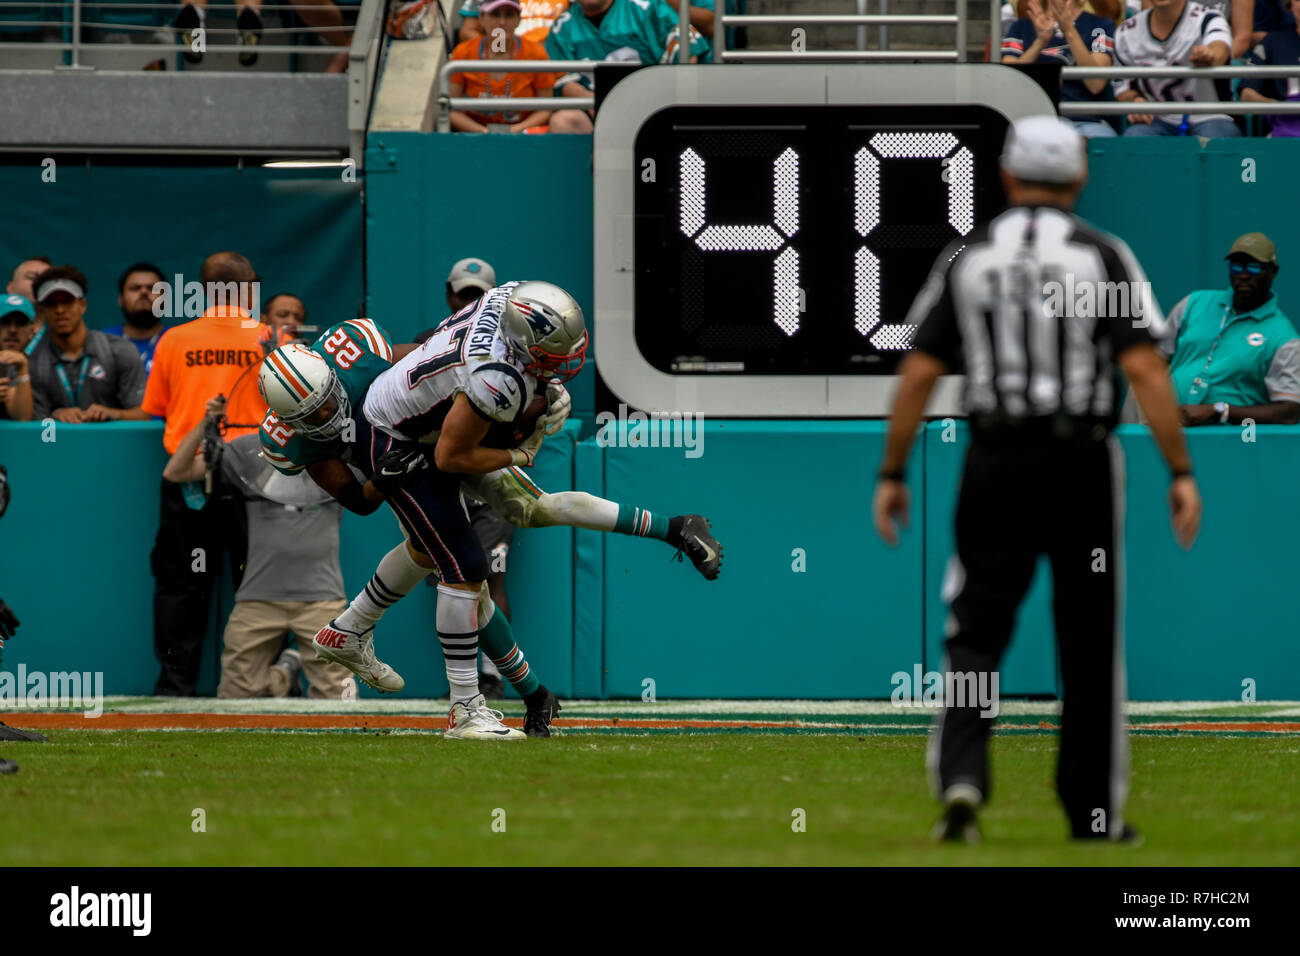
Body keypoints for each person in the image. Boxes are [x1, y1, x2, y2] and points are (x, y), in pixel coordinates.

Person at [872, 116, 1201, 844]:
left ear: (1009, 175)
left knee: (976, 629)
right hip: (1081, 460)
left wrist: (892, 471)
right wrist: (1180, 470)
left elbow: (920, 371)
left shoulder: (972, 257)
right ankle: (1092, 813)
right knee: (1089, 640)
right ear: (1078, 178)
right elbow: (1145, 367)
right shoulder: (1101, 255)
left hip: (995, 459)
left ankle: (962, 778)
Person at [163, 396, 354, 699]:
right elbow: (176, 472)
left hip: (322, 598)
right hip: (258, 597)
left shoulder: (339, 451)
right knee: (234, 697)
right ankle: (283, 675)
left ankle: (284, 672)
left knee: (340, 702)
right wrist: (206, 423)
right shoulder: (249, 450)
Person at [140, 251, 268, 696]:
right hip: (255, 481)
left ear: (203, 287)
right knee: (259, 582)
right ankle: (258, 687)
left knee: (181, 586)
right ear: (248, 286)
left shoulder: (174, 339)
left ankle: (176, 687)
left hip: (190, 479)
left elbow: (155, 409)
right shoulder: (271, 336)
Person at [1162, 233, 1300, 424]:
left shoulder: (1284, 338)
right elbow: (1154, 361)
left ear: (1273, 271)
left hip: (1230, 442)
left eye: (1253, 268)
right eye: (1236, 267)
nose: (1243, 275)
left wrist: (1219, 410)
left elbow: (1289, 412)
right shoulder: (1193, 304)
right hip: (1171, 432)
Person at [545, 0, 711, 133]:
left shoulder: (645, 8)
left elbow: (688, 50)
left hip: (650, 104)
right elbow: (563, 80)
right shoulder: (563, 26)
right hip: (596, 109)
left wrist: (661, 98)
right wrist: (601, 104)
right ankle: (581, 175)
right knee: (563, 121)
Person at [27, 266, 150, 424]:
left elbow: (143, 414)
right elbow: (29, 424)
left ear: (82, 305)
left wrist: (112, 413)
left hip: (111, 445)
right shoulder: (33, 361)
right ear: (42, 311)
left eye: (67, 301)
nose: (60, 310)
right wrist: (55, 415)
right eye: (51, 303)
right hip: (56, 446)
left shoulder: (120, 350)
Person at [1113, 0, 1238, 137]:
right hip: (1156, 118)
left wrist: (1210, 55)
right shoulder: (1126, 32)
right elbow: (1123, 89)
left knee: (1218, 139)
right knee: (1135, 138)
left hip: (1210, 115)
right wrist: (1135, 100)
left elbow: (1220, 48)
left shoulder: (1208, 18)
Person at [1002, 0, 1119, 138]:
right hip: (1034, 121)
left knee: (1104, 143)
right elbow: (1009, 82)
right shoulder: (1020, 27)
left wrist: (1069, 31)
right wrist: (1040, 42)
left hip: (1086, 122)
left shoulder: (1101, 25)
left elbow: (1095, 84)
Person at [449, 0, 559, 134]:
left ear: (519, 20)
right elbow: (451, 110)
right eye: (495, 15)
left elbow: (545, 109)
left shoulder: (536, 54)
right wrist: (484, 132)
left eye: (509, 15)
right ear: (481, 18)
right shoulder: (463, 53)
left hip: (523, 135)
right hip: (474, 135)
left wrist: (515, 130)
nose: (501, 22)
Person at [1240, 0, 1300, 136]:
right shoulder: (1272, 42)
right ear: (1290, 4)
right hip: (1286, 129)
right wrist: (1276, 107)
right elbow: (1247, 93)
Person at [102, 262, 168, 377]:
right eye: (135, 288)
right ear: (120, 299)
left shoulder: (179, 342)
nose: (143, 292)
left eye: (152, 288)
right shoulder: (103, 343)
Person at [7, 256, 52, 356]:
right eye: (31, 277)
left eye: (45, 280)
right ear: (11, 287)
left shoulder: (63, 341)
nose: (39, 283)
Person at [0, 295, 35, 421]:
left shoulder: (42, 364)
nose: (12, 330)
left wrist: (22, 370)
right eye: (5, 322)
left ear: (32, 330)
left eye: (20, 322)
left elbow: (22, 416)